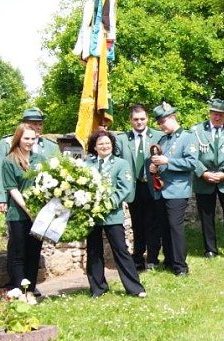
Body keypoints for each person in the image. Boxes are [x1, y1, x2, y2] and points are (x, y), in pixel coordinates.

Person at [84, 131, 147, 298]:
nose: (104, 146)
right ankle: (98, 288)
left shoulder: (121, 164)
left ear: (112, 145)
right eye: (100, 144)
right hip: (92, 216)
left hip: (112, 214)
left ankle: (135, 288)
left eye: (107, 143)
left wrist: (107, 204)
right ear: (94, 147)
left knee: (121, 250)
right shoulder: (87, 164)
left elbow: (124, 188)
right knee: (93, 251)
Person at [191, 98, 224, 261]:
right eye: (215, 113)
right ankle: (210, 249)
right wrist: (204, 173)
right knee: (206, 216)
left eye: (221, 114)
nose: (217, 117)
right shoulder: (197, 131)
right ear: (210, 113)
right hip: (204, 180)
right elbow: (192, 156)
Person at [149, 102, 197, 276]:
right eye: (159, 123)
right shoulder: (163, 139)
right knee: (164, 227)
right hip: (161, 190)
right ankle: (169, 260)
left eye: (163, 122)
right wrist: (154, 167)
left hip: (178, 190)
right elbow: (159, 160)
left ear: (173, 117)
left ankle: (180, 266)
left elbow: (191, 163)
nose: (161, 126)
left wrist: (167, 161)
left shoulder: (188, 137)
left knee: (175, 228)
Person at [0, 123, 45, 303]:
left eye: (33, 138)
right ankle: (20, 290)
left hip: (38, 214)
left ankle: (30, 291)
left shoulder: (39, 159)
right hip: (18, 215)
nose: (30, 142)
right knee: (20, 254)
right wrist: (29, 210)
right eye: (26, 138)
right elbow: (13, 190)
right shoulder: (9, 161)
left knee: (34, 253)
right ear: (18, 138)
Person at [114, 105, 162, 271]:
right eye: (136, 119)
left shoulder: (158, 136)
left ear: (147, 119)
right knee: (137, 224)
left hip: (153, 186)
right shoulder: (122, 139)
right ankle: (138, 258)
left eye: (142, 119)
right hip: (133, 188)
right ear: (130, 120)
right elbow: (118, 164)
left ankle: (153, 258)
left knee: (153, 224)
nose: (139, 122)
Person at [0, 107, 60, 214]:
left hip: (45, 200)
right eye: (34, 124)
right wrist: (0, 198)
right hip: (16, 200)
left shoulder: (51, 146)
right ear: (25, 124)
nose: (38, 127)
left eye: (40, 124)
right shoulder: (7, 143)